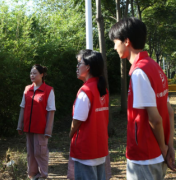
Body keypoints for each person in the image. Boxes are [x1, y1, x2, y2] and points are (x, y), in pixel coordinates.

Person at [109, 17, 176, 180]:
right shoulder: (155, 67)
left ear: (126, 41)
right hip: (157, 155)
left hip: (145, 156)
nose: (114, 46)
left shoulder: (139, 72)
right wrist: (170, 146)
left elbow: (155, 119)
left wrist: (164, 148)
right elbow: (170, 112)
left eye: (115, 41)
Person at [68, 49, 109, 180]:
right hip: (100, 148)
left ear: (88, 67)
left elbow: (77, 120)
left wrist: (70, 134)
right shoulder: (102, 89)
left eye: (79, 63)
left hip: (86, 149)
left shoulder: (86, 91)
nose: (77, 67)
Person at [17, 64, 56, 180]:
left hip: (41, 128)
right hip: (29, 128)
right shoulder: (27, 89)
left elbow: (51, 110)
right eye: (31, 73)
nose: (32, 75)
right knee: (30, 153)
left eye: (35, 73)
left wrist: (48, 130)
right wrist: (20, 125)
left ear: (42, 75)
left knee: (40, 152)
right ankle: (33, 174)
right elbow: (22, 107)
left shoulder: (48, 90)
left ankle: (43, 175)